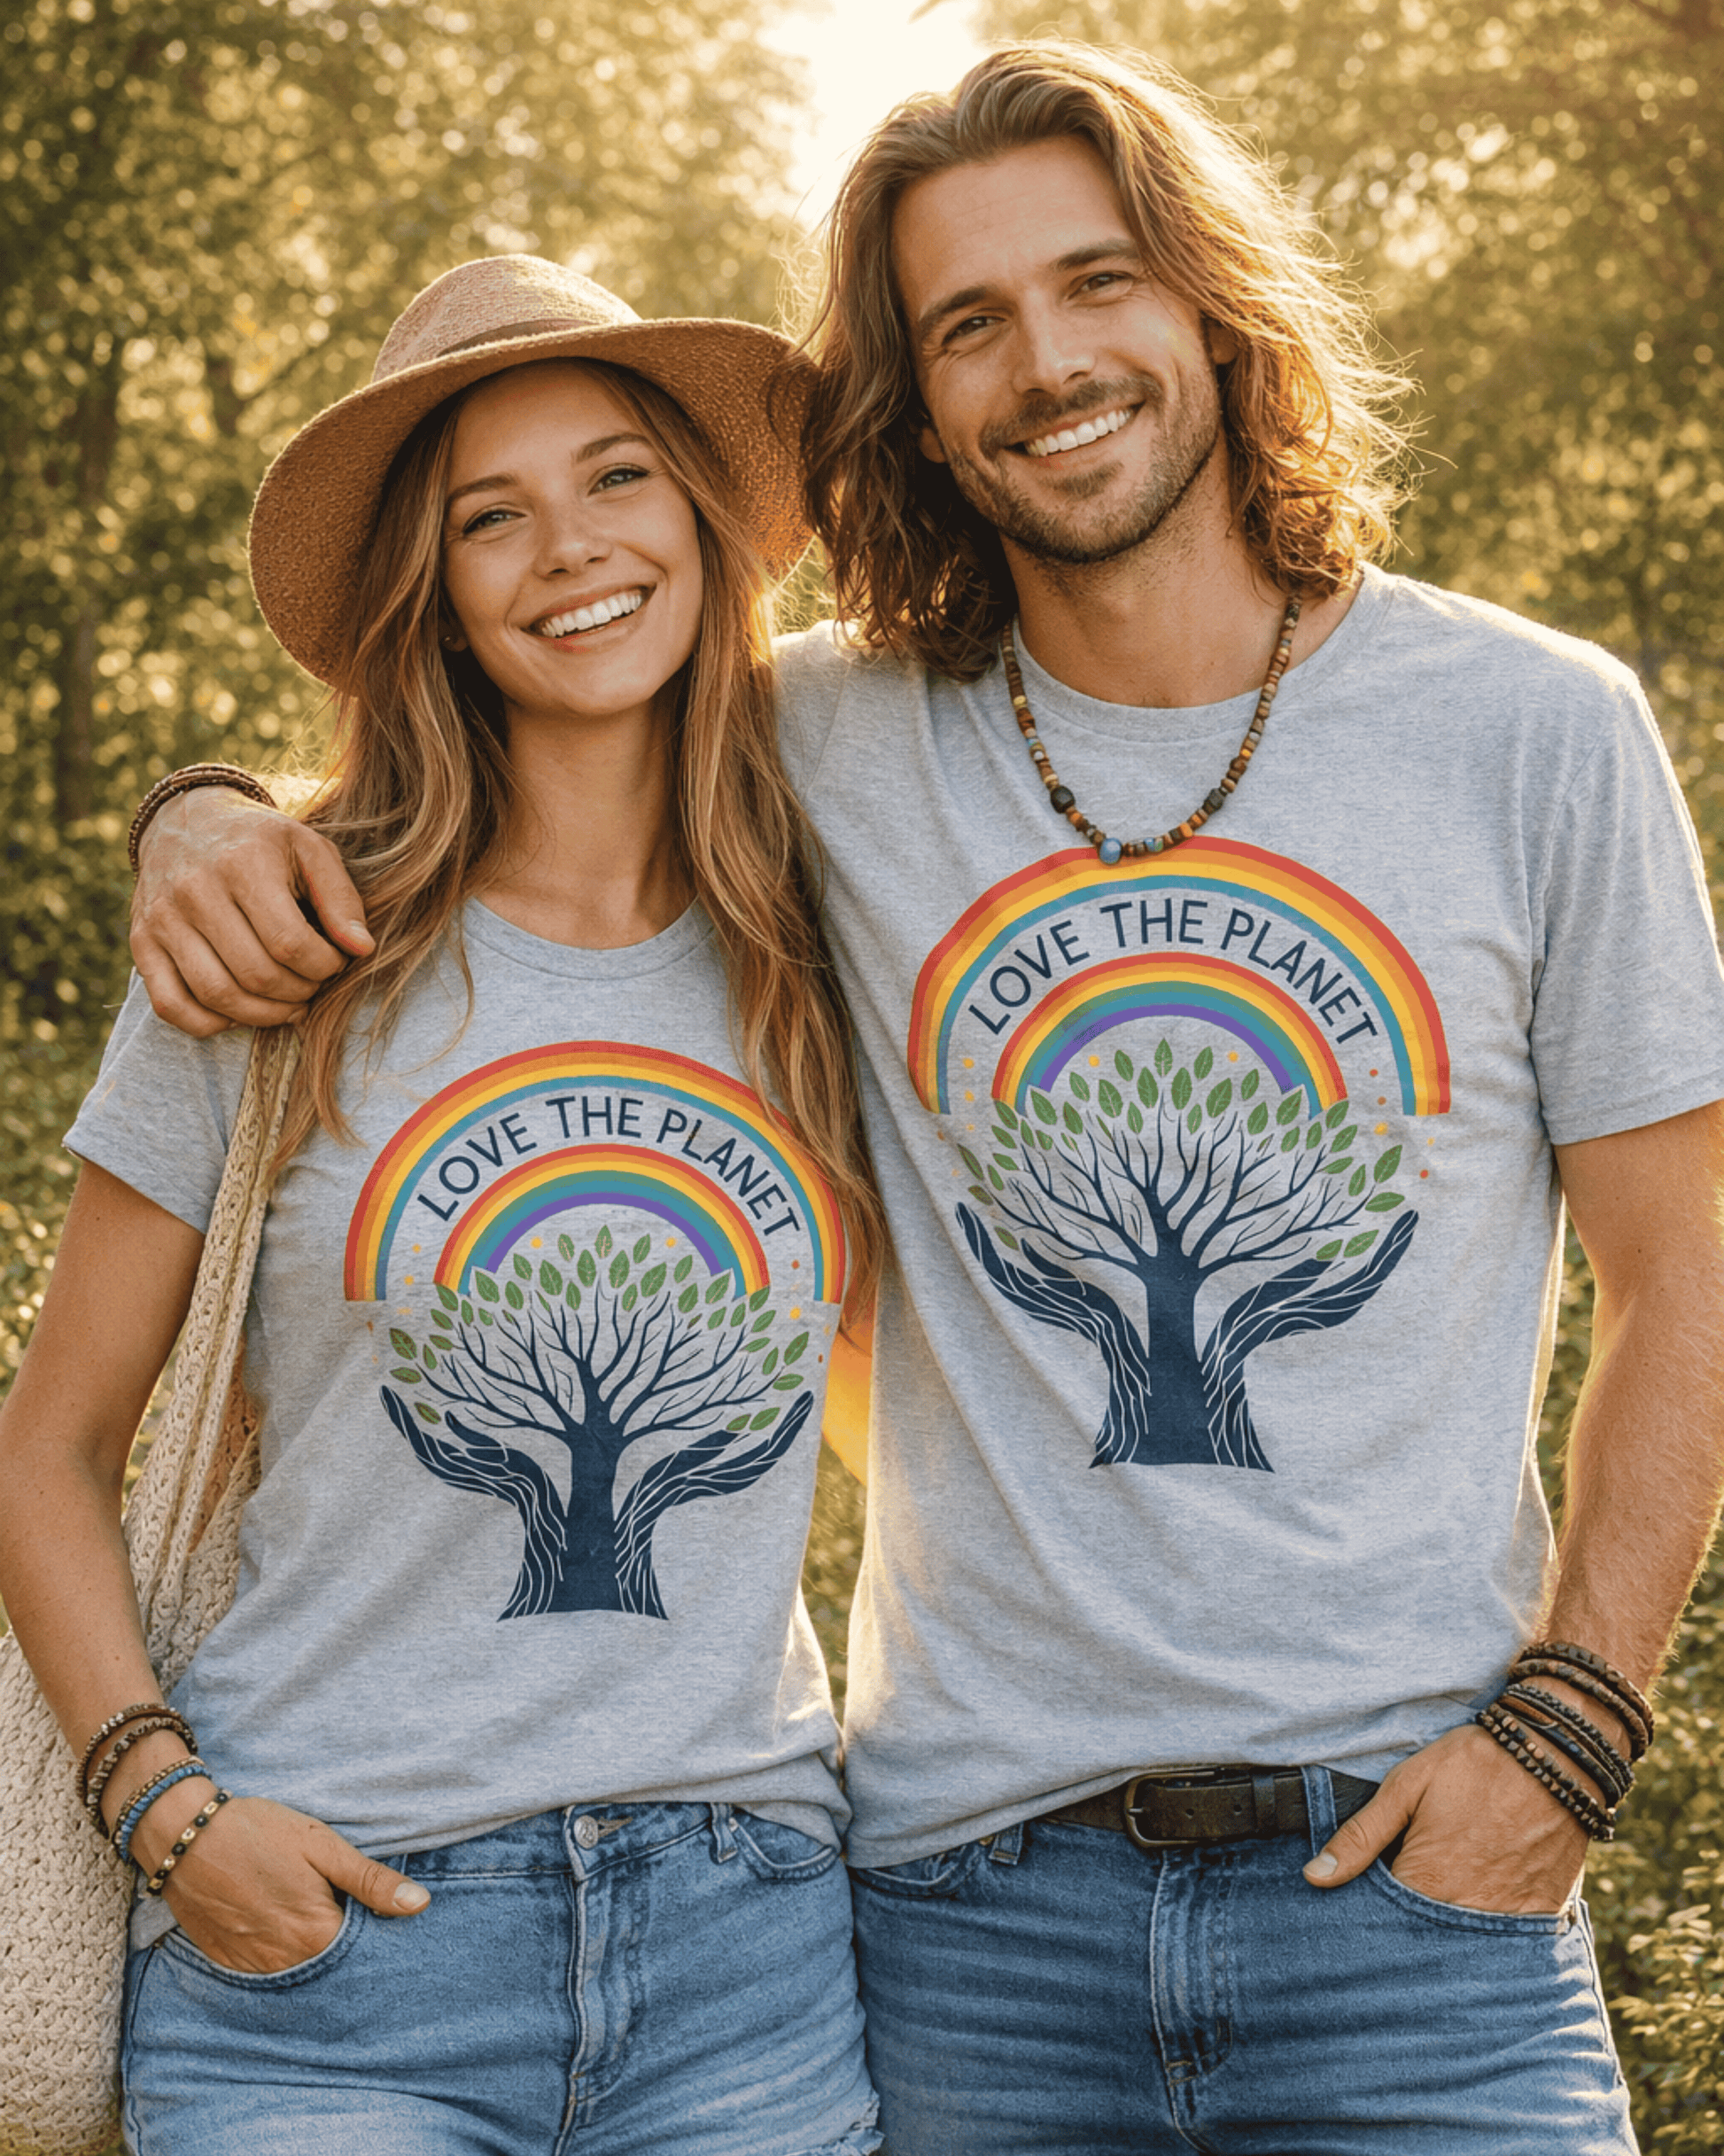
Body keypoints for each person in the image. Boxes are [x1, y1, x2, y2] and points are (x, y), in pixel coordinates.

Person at [124, 42, 1724, 2155]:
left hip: (1415, 1921)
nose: (1044, 362)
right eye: (966, 324)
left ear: (1214, 307)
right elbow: (520, 712)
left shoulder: (1533, 732)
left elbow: (1683, 1260)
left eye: (1096, 282)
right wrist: (203, 811)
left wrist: (1571, 1731)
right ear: (913, 399)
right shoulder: (823, 745)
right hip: (961, 1924)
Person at [0, 255, 889, 2156]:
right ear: (435, 590)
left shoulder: (833, 936)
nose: (567, 549)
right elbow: (49, 1447)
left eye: (616, 479)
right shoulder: (278, 950)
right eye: (493, 516)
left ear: (709, 524)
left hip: (748, 1951)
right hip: (329, 1956)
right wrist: (168, 1809)